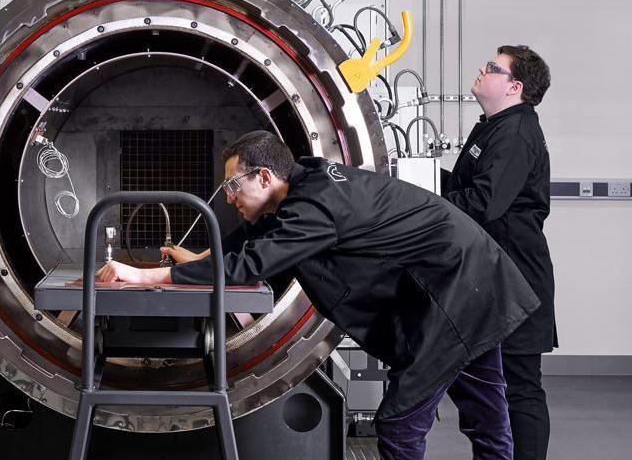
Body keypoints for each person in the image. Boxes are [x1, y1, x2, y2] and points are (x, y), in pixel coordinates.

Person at [95, 130, 540, 459]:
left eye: (233, 186)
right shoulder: (301, 184)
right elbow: (248, 238)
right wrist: (191, 262)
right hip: (472, 279)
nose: (229, 197)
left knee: (400, 423)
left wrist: (142, 277)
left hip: (457, 292)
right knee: (486, 414)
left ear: (264, 176)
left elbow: (252, 263)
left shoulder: (316, 207)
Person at [444, 45, 555, 460]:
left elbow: (485, 203)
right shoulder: (494, 126)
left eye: (493, 67)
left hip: (517, 280)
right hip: (494, 278)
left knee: (520, 386)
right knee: (494, 385)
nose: (482, 69)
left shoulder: (516, 132)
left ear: (515, 86)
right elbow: (466, 188)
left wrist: (430, 202)